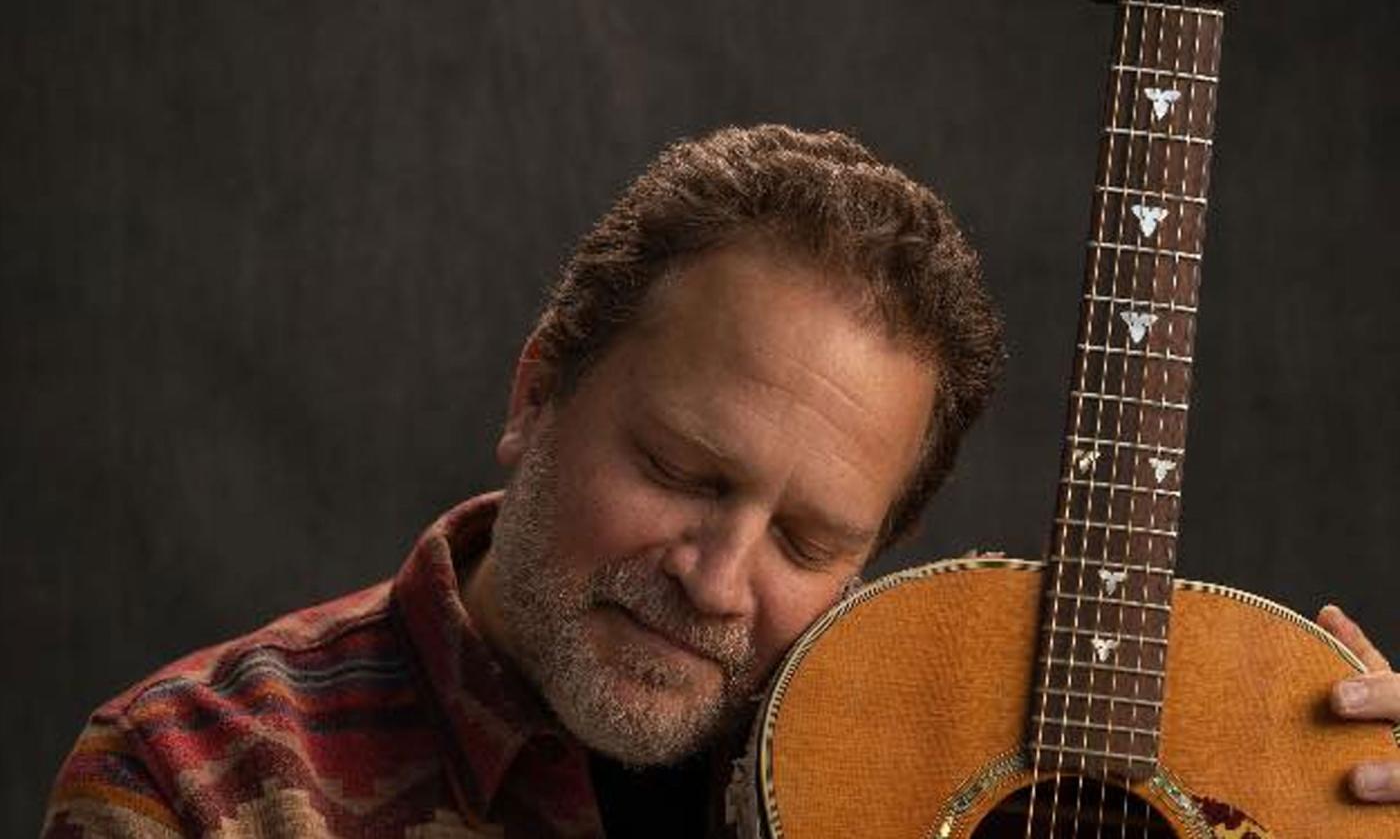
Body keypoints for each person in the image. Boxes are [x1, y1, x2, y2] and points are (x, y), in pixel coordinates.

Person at [43, 125, 1400, 837]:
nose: (715, 579)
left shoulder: (930, 787)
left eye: (808, 538)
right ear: (535, 392)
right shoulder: (192, 779)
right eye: (682, 470)